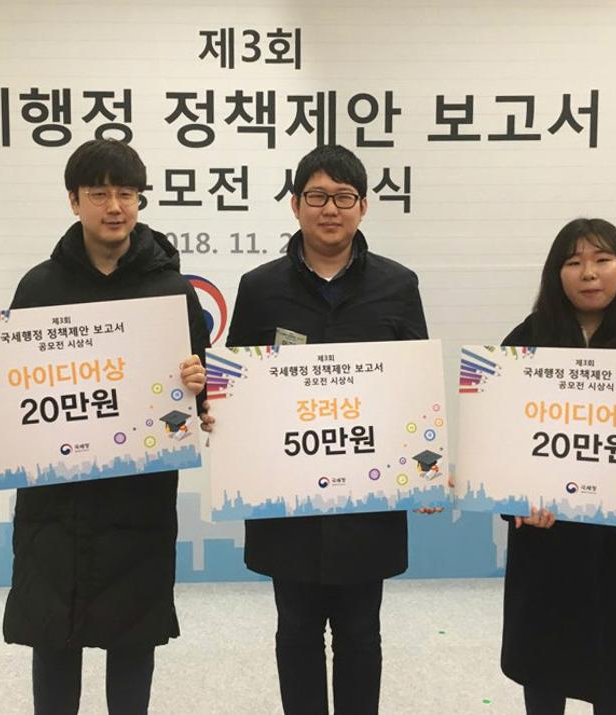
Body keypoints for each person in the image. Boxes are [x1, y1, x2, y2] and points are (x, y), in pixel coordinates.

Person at [0, 139, 210, 715]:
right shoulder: (40, 287)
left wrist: (198, 384)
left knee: (134, 641)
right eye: (98, 193)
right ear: (74, 201)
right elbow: (8, 384)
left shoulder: (171, 292)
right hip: (55, 501)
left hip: (138, 496)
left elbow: (198, 406)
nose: (114, 206)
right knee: (53, 637)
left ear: (140, 200)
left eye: (126, 193)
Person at [223, 144, 429, 715]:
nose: (330, 209)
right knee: (295, 632)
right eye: (317, 197)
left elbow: (416, 389)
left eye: (343, 197)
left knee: (362, 633)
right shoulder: (260, 287)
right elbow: (237, 387)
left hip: (368, 500)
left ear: (363, 206)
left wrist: (425, 466)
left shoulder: (398, 284)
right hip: (288, 502)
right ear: (295, 205)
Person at [499, 218, 616, 714]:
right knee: (544, 666)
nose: (589, 273)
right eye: (574, 262)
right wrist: (515, 501)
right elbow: (498, 437)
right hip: (548, 539)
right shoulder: (524, 343)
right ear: (555, 273)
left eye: (602, 259)